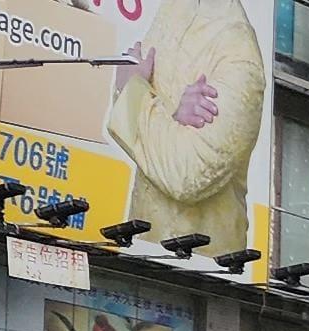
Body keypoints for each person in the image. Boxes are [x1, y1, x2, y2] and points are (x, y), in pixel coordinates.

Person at [106, 0, 267, 255]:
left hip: (205, 275)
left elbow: (188, 174)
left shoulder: (239, 56)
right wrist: (170, 116)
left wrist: (130, 93)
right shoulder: (174, 10)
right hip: (140, 256)